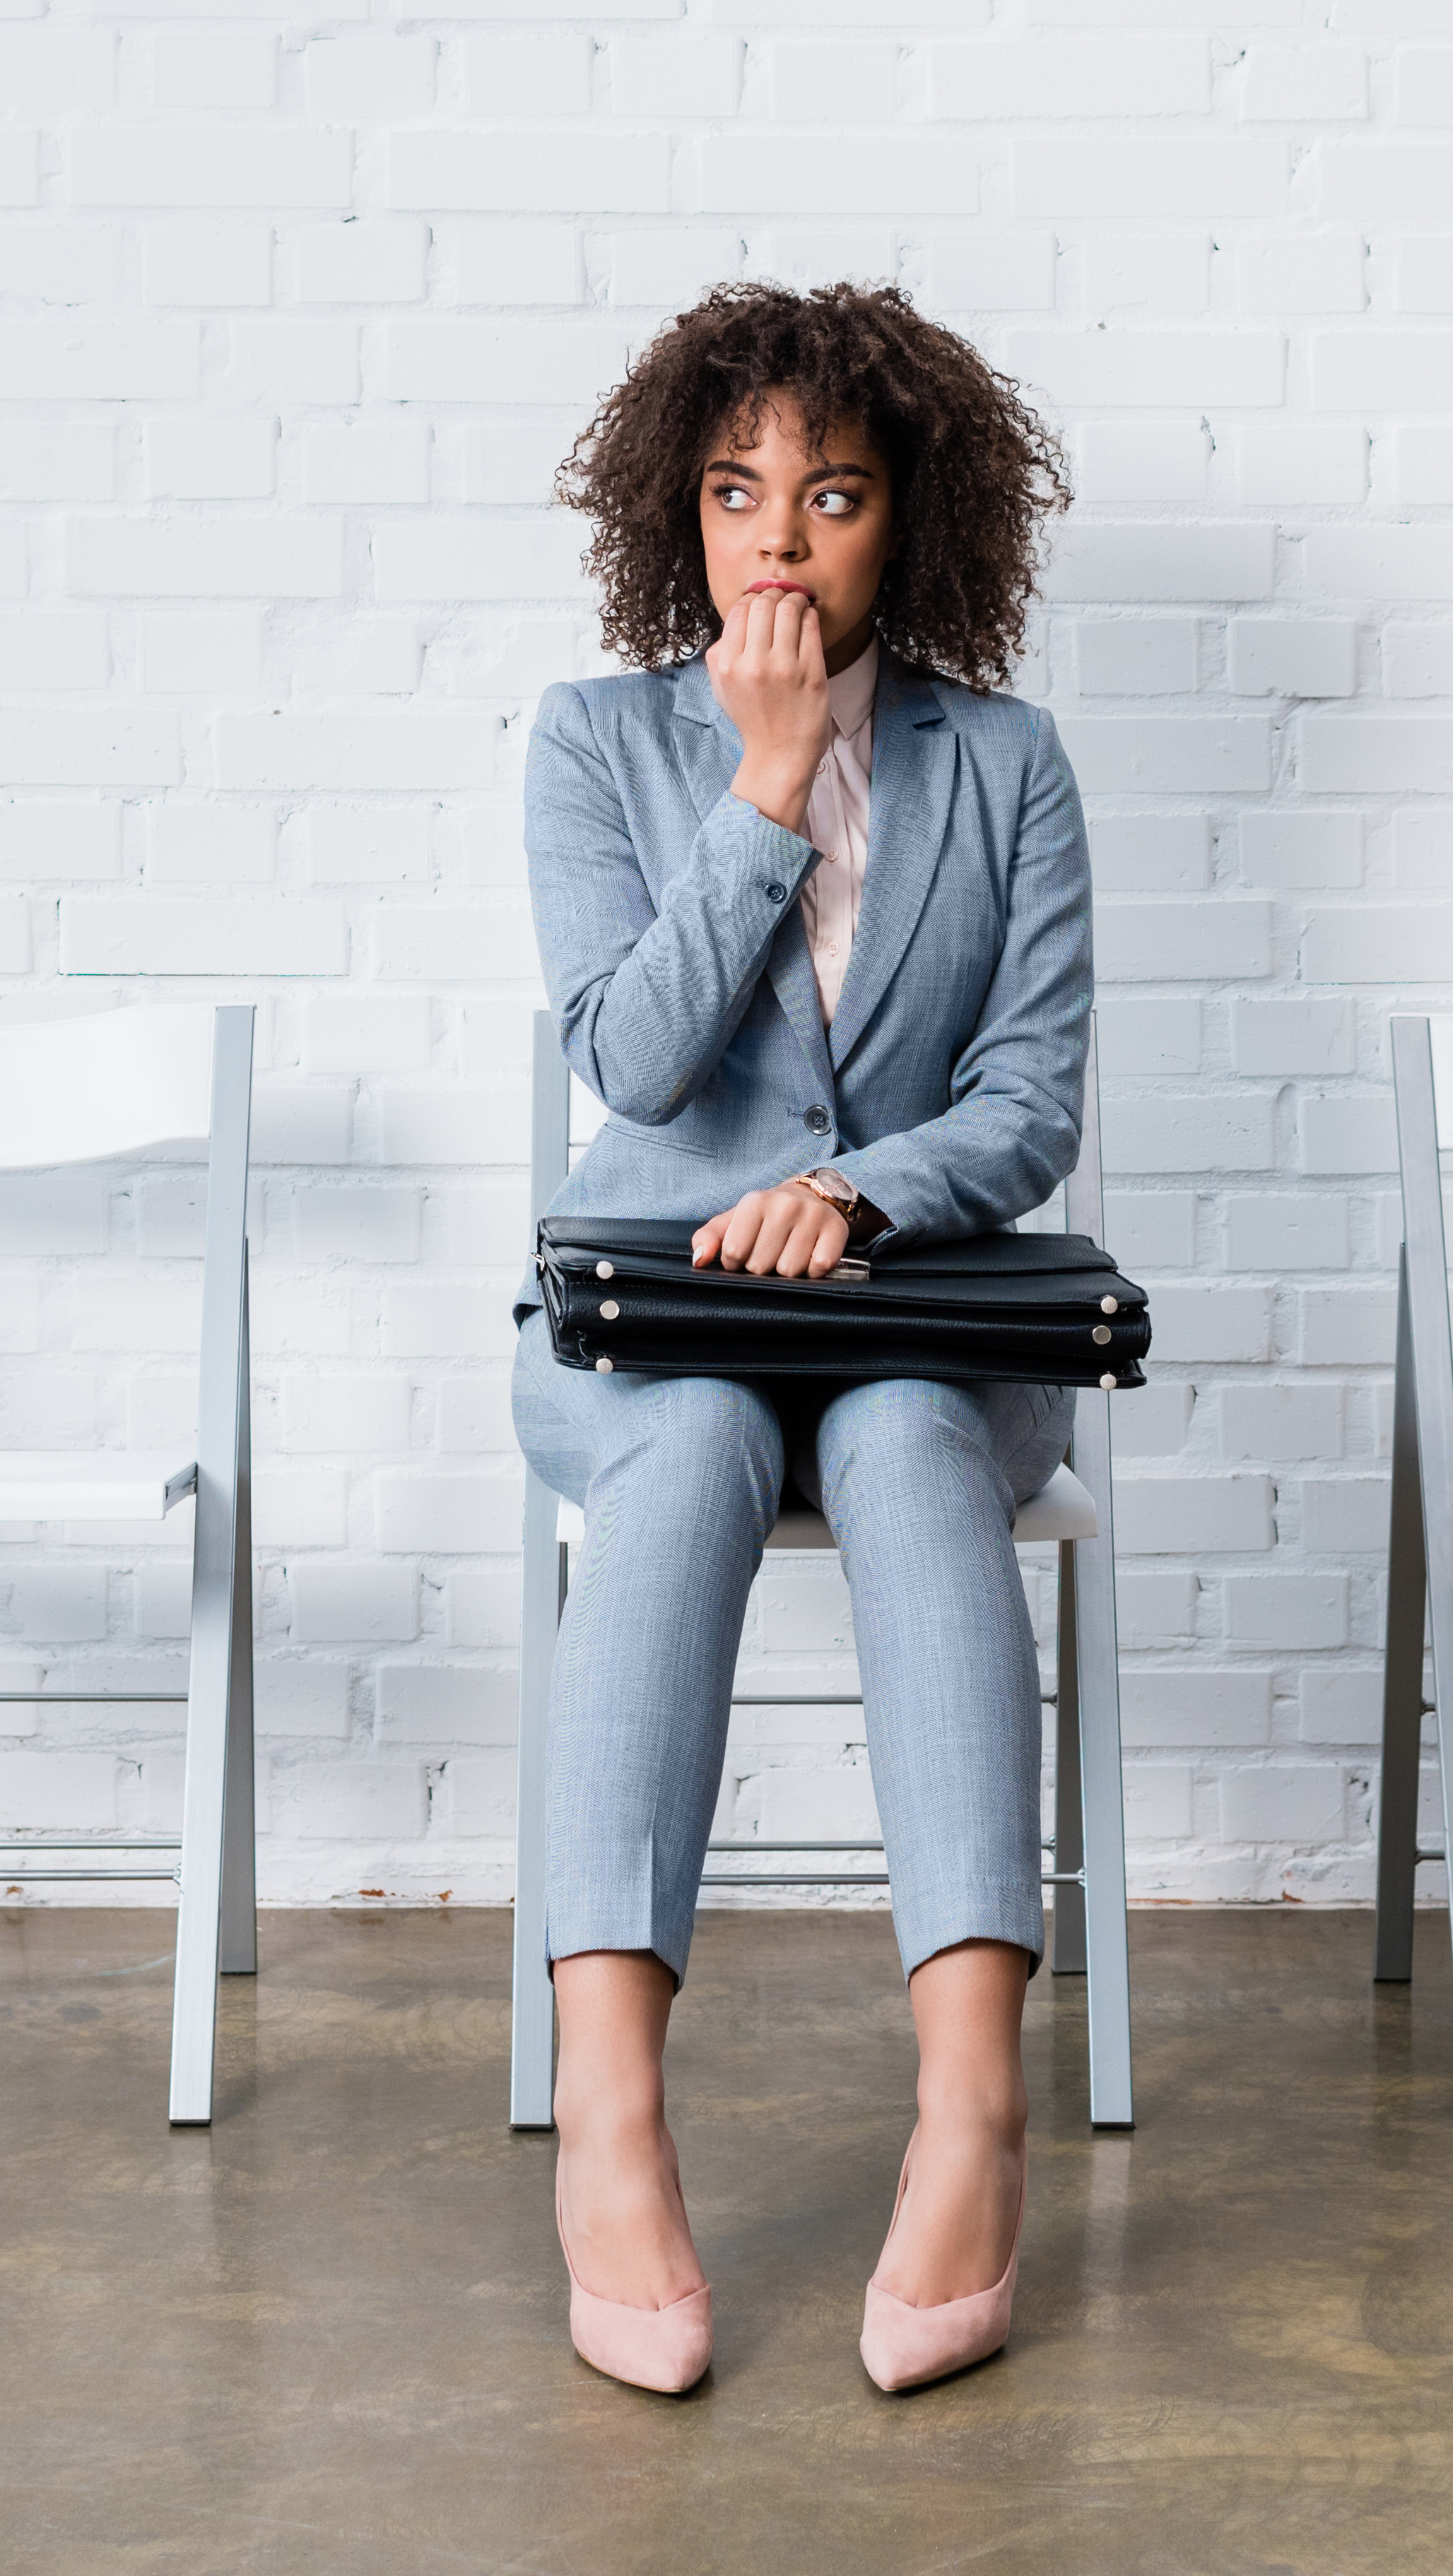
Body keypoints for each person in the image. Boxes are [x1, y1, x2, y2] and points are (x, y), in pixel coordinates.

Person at [515, 281, 1092, 2398]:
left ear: (901, 526)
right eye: (740, 493)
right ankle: (612, 2121)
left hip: (911, 1312)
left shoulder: (1007, 766)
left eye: (830, 497)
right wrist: (765, 788)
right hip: (648, 1320)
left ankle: (973, 2116)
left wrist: (860, 1191)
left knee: (923, 1459)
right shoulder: (595, 746)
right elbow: (639, 1070)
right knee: (674, 1472)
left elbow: (1028, 1100)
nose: (779, 538)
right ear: (684, 516)